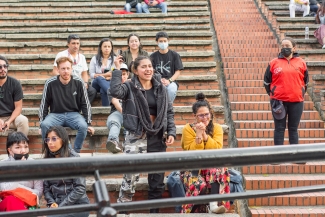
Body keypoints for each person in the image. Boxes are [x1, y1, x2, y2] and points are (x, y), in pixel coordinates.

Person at [110, 55, 176, 213]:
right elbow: (114, 91)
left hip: (158, 136)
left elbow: (169, 111)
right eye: (144, 67)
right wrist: (117, 70)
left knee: (157, 179)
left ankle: (154, 213)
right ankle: (124, 211)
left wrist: (171, 131)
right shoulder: (129, 87)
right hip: (136, 136)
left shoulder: (160, 87)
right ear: (135, 70)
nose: (148, 69)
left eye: (150, 66)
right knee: (130, 177)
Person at [181, 93, 230, 214]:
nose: (204, 118)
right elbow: (191, 152)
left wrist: (205, 136)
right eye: (201, 115)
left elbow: (217, 149)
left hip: (211, 166)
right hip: (192, 167)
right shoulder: (188, 129)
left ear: (211, 114)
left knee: (218, 168)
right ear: (195, 116)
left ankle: (213, 205)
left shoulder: (217, 128)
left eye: (207, 114)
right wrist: (198, 135)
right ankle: (193, 213)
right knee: (199, 185)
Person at [39, 57, 92, 153]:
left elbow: (85, 103)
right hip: (55, 114)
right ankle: (50, 153)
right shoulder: (50, 83)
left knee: (83, 126)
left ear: (72, 69)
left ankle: (75, 152)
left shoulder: (79, 82)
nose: (66, 71)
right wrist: (41, 124)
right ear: (58, 70)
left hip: (74, 114)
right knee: (45, 125)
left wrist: (88, 123)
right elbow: (44, 104)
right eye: (63, 69)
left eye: (68, 68)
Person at [264, 37, 308, 147]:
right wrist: (274, 93)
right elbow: (266, 82)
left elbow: (306, 82)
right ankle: (278, 157)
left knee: (293, 128)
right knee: (279, 128)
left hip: (297, 101)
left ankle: (295, 155)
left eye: (287, 46)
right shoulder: (273, 63)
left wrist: (299, 92)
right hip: (278, 102)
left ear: (294, 48)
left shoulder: (301, 63)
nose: (285, 48)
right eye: (283, 46)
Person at [42, 126, 90, 217]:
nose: (50, 143)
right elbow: (46, 188)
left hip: (77, 204)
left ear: (63, 140)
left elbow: (80, 188)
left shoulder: (74, 158)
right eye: (48, 140)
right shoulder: (47, 160)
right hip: (57, 204)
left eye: (54, 139)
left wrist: (60, 207)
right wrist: (52, 202)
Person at [0, 132, 43, 212]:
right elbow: (3, 189)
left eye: (26, 147)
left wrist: (18, 191)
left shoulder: (34, 165)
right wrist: (18, 172)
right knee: (11, 200)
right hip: (8, 205)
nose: (23, 151)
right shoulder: (2, 165)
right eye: (18, 147)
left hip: (28, 204)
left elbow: (39, 192)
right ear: (10, 150)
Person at [52, 34, 97, 104]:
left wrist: (85, 83)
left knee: (92, 91)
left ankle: (80, 108)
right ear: (68, 44)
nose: (75, 46)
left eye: (77, 43)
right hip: (65, 81)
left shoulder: (82, 57)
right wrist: (64, 81)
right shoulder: (61, 55)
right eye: (73, 43)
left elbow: (84, 73)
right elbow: (55, 71)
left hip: (78, 83)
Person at [150, 32, 183, 103]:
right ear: (157, 42)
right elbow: (151, 71)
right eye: (160, 41)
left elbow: (178, 71)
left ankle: (167, 108)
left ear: (168, 41)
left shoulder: (175, 55)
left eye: (165, 41)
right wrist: (159, 80)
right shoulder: (153, 56)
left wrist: (169, 81)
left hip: (171, 81)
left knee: (171, 90)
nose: (163, 43)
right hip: (157, 81)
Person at [0, 55, 29, 136]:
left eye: (5, 66)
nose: (3, 69)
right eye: (0, 67)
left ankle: (20, 146)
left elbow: (18, 107)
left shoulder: (15, 83)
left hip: (12, 117)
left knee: (23, 120)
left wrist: (8, 121)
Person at [106, 63, 130, 153]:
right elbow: (116, 102)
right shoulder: (111, 89)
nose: (122, 76)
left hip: (131, 113)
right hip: (117, 112)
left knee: (131, 125)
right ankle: (113, 142)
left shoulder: (133, 87)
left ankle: (128, 143)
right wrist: (125, 114)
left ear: (127, 75)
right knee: (114, 122)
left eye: (124, 74)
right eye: (120, 74)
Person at [89, 38, 116, 106]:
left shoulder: (115, 59)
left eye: (109, 46)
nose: (107, 48)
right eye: (105, 46)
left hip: (109, 82)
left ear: (111, 48)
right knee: (99, 78)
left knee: (103, 90)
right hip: (96, 83)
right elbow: (92, 74)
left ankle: (106, 110)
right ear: (101, 48)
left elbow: (116, 74)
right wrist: (105, 75)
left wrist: (105, 77)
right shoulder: (94, 59)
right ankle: (111, 93)